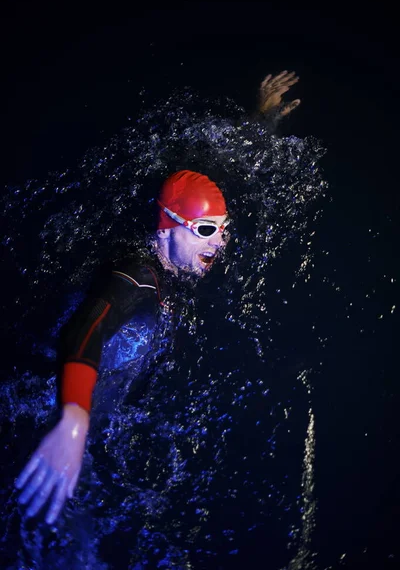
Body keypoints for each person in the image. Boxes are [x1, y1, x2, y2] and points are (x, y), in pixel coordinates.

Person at [15, 70, 301, 525]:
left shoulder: (179, 261)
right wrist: (73, 420)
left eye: (223, 231)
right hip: (50, 397)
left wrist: (261, 119)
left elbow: (225, 167)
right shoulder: (135, 276)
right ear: (168, 228)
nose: (219, 244)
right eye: (207, 231)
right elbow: (84, 329)